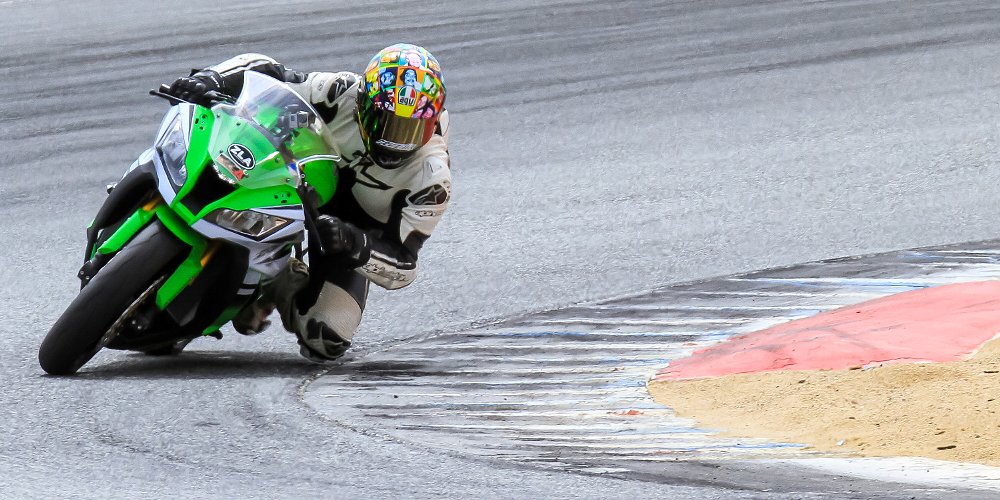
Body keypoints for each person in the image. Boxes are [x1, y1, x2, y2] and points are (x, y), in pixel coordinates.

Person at [165, 43, 451, 362]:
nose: (395, 140)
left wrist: (356, 244)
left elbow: (405, 265)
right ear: (364, 102)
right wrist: (212, 78)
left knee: (327, 336)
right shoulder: (341, 91)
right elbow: (268, 71)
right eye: (387, 123)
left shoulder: (432, 178)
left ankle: (276, 281)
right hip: (297, 181)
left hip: (349, 231)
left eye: (410, 129)